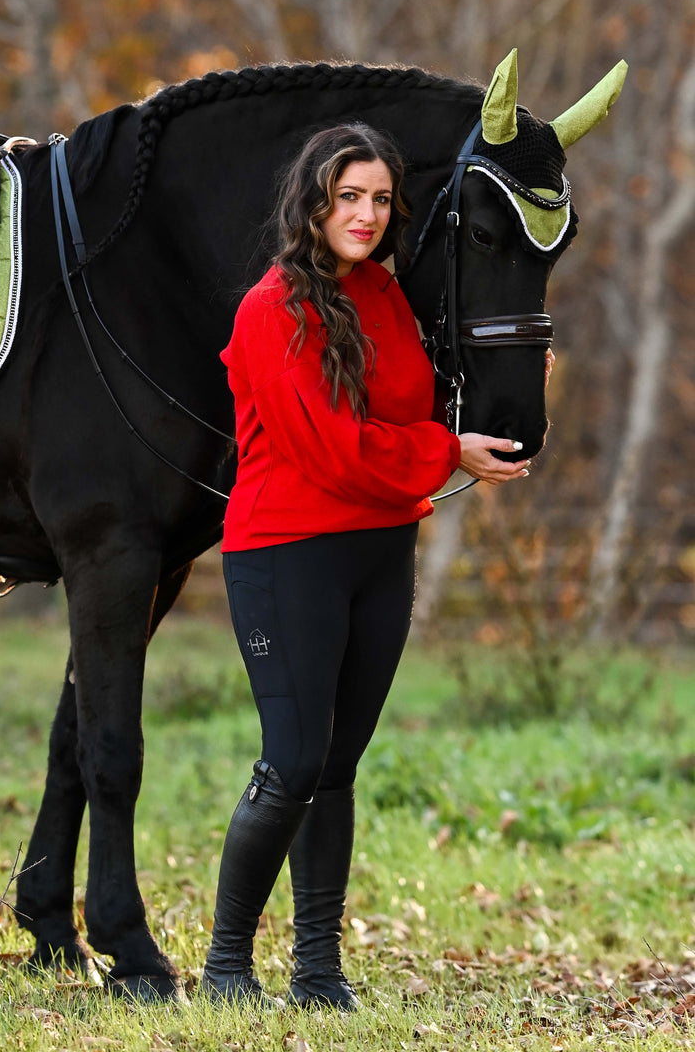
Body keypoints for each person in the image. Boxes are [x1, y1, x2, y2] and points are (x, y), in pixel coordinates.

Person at [201, 122, 534, 1010]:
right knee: (295, 758)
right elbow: (333, 449)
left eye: (381, 199)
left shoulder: (385, 298)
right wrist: (447, 452)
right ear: (312, 200)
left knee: (338, 764)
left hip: (383, 550)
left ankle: (318, 971)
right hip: (287, 553)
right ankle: (227, 964)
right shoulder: (270, 309)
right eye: (349, 196)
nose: (366, 214)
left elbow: (416, 402)